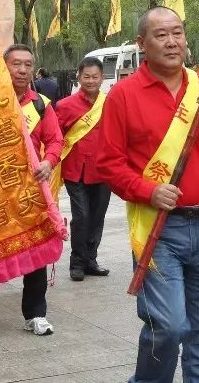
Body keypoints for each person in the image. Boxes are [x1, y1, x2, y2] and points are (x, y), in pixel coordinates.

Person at [99, 7, 199, 383]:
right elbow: (109, 164)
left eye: (177, 33)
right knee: (169, 327)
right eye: (161, 35)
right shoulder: (123, 96)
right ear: (141, 44)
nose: (171, 42)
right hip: (159, 231)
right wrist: (148, 190)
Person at [0, 44, 63, 336]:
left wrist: (48, 162)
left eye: (28, 65)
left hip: (30, 193)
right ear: (3, 67)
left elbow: (56, 141)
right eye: (16, 64)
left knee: (36, 249)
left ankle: (34, 314)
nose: (22, 70)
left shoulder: (40, 105)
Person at [54, 57, 111, 281]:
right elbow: (55, 138)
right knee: (82, 216)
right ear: (78, 78)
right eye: (86, 76)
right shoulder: (64, 105)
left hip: (104, 171)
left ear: (101, 78)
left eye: (94, 77)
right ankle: (76, 262)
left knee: (97, 217)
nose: (90, 80)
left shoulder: (110, 103)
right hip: (75, 170)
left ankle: (91, 260)